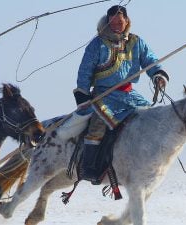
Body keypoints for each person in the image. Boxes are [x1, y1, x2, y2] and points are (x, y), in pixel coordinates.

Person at [73, 5, 169, 182]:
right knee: (98, 126)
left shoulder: (136, 42)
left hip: (129, 95)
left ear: (126, 21)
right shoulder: (98, 44)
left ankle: (145, 162)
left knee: (150, 120)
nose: (118, 24)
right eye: (114, 21)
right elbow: (84, 71)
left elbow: (150, 60)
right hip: (104, 96)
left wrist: (157, 75)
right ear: (108, 21)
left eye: (121, 21)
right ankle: (89, 167)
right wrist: (83, 94)